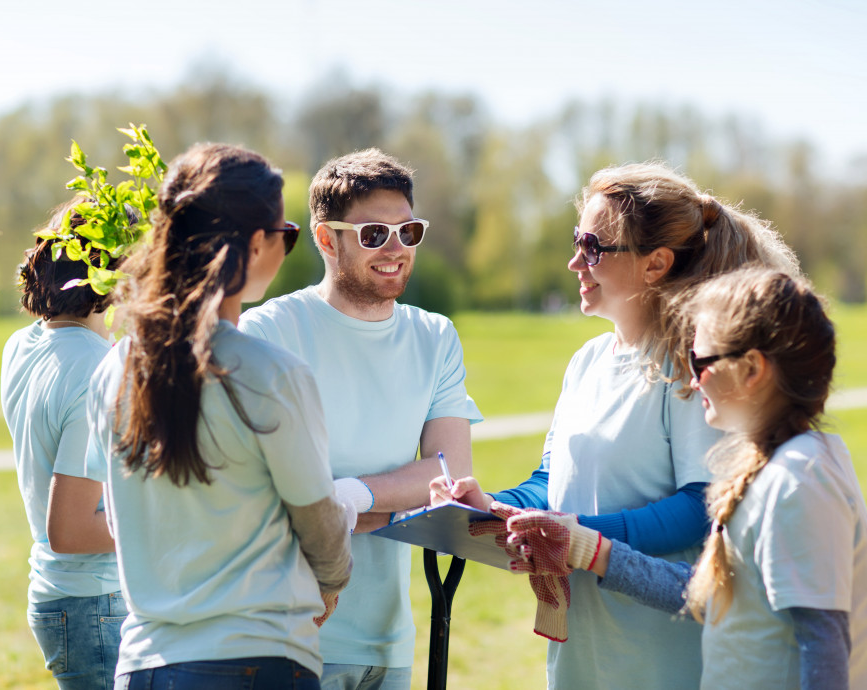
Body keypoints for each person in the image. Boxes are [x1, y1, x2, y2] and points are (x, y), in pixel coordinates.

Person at [430, 162, 799, 688]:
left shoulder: (691, 364)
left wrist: (578, 539)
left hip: (663, 655)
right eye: (577, 241)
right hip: (584, 650)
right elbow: (552, 481)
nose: (574, 261)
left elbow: (703, 506)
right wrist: (493, 507)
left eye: (593, 246)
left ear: (655, 264)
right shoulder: (587, 360)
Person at [503, 267, 866, 689]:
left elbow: (823, 643)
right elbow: (708, 593)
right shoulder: (769, 469)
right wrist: (585, 546)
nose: (692, 380)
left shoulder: (799, 481)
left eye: (700, 360)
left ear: (751, 369)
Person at [86, 142, 351, 689]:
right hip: (256, 657)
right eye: (287, 234)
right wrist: (332, 578)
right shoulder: (270, 372)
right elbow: (317, 517)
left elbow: (116, 521)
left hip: (142, 664)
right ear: (256, 244)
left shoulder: (114, 370)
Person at [239, 148, 482, 690]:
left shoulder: (435, 336)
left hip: (389, 639)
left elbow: (450, 475)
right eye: (374, 234)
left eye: (408, 232)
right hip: (289, 635)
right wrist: (391, 497)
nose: (396, 250)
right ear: (328, 239)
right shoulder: (269, 331)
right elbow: (254, 490)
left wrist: (349, 497)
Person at [1, 203, 124, 689]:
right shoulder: (99, 371)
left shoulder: (23, 343)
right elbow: (70, 530)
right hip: (96, 605)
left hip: (61, 600)